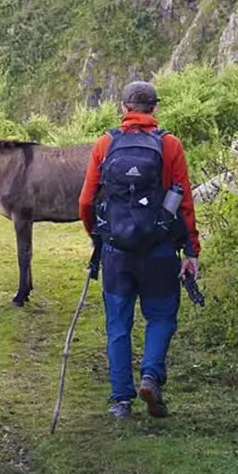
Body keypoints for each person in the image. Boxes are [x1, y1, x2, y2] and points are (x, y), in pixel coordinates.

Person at [78, 81, 201, 419]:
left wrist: (98, 236)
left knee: (118, 324)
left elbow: (86, 200)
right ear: (155, 109)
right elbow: (185, 202)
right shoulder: (170, 145)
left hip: (117, 252)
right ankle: (150, 376)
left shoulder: (104, 144)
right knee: (161, 316)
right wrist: (191, 251)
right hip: (159, 249)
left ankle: (121, 400)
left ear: (123, 109)